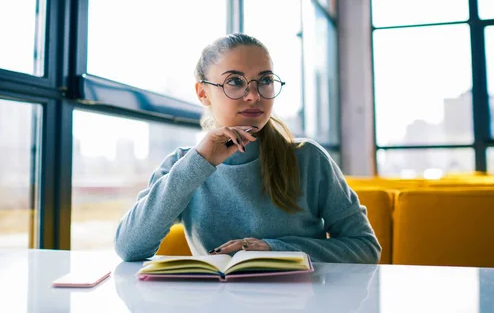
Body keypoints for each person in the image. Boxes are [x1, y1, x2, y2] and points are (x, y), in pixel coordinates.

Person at [114, 33, 381, 263]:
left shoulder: (308, 159)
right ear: (203, 93)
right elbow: (129, 247)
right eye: (235, 81)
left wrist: (273, 250)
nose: (254, 95)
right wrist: (200, 161)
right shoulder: (183, 165)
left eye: (264, 80)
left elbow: (365, 248)